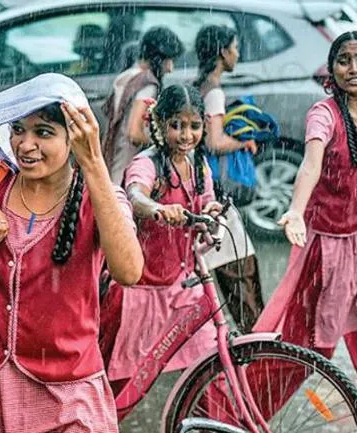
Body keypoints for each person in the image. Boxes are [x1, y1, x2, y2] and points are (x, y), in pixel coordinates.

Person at [0, 73, 144, 433]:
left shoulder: (102, 198)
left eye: (44, 132)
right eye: (18, 129)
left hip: (67, 394)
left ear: (74, 137)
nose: (26, 145)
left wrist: (94, 163)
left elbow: (129, 270)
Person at [254, 31, 357, 432]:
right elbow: (310, 164)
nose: (354, 69)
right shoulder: (323, 114)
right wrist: (295, 211)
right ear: (332, 69)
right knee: (308, 349)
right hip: (330, 248)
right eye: (344, 60)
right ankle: (232, 414)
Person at [104, 84, 222, 392]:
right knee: (122, 385)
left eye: (194, 126)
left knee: (210, 364)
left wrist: (210, 208)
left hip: (182, 288)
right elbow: (135, 196)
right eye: (176, 126)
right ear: (160, 123)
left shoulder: (198, 164)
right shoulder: (147, 163)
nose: (186, 135)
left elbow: (206, 199)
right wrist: (158, 208)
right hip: (140, 292)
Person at [193, 25, 264, 333]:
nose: (238, 53)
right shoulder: (215, 92)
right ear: (223, 51)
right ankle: (255, 338)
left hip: (201, 185)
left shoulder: (199, 85)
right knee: (239, 266)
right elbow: (214, 142)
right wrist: (244, 143)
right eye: (234, 47)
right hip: (215, 190)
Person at [102, 27, 184, 184]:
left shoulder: (127, 76)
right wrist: (162, 142)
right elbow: (134, 133)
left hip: (111, 153)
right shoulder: (147, 84)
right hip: (127, 160)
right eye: (169, 61)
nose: (170, 68)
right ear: (158, 58)